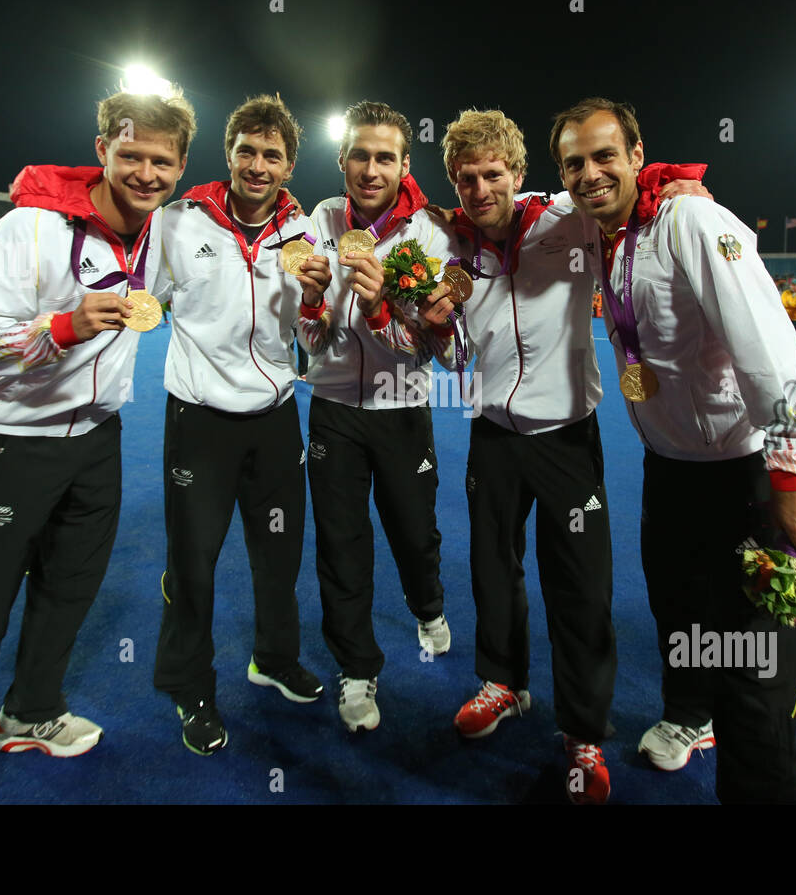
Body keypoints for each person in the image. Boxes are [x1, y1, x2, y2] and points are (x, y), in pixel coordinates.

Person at [0, 86, 196, 804]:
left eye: (161, 161)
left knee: (68, 592)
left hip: (100, 440)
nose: (145, 173)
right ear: (102, 151)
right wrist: (59, 328)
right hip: (14, 447)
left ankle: (29, 712)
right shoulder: (26, 227)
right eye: (131, 155)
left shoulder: (166, 237)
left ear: (180, 167)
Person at [424, 108, 705, 805]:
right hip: (490, 435)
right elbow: (458, 352)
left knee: (580, 586)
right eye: (467, 178)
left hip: (567, 440)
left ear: (519, 175)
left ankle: (584, 728)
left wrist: (678, 186)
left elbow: (626, 190)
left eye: (494, 173)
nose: (480, 187)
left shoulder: (566, 219)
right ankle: (504, 683)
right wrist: (433, 334)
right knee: (492, 569)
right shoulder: (454, 249)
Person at [552, 97, 796, 805]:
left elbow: (765, 342)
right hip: (668, 470)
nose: (589, 174)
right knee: (681, 614)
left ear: (638, 154)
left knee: (756, 673)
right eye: (574, 163)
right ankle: (690, 716)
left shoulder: (690, 219)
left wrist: (793, 463)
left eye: (605, 155)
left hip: (744, 476)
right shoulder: (601, 230)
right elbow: (511, 201)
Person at [150, 94, 325, 756]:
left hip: (276, 419)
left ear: (287, 165)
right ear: (229, 155)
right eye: (247, 151)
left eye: (272, 155)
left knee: (279, 554)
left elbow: (315, 332)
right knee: (192, 562)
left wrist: (316, 297)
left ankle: (273, 658)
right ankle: (189, 684)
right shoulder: (178, 221)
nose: (257, 165)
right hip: (199, 422)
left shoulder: (304, 232)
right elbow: (139, 294)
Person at [300, 101, 456, 733]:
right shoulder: (320, 220)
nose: (371, 169)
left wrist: (379, 310)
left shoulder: (429, 233)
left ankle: (428, 605)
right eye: (360, 156)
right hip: (334, 409)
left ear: (404, 163)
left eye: (384, 157)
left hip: (403, 409)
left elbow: (433, 351)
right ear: (342, 161)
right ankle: (358, 670)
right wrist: (312, 301)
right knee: (341, 543)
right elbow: (310, 343)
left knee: (415, 534)